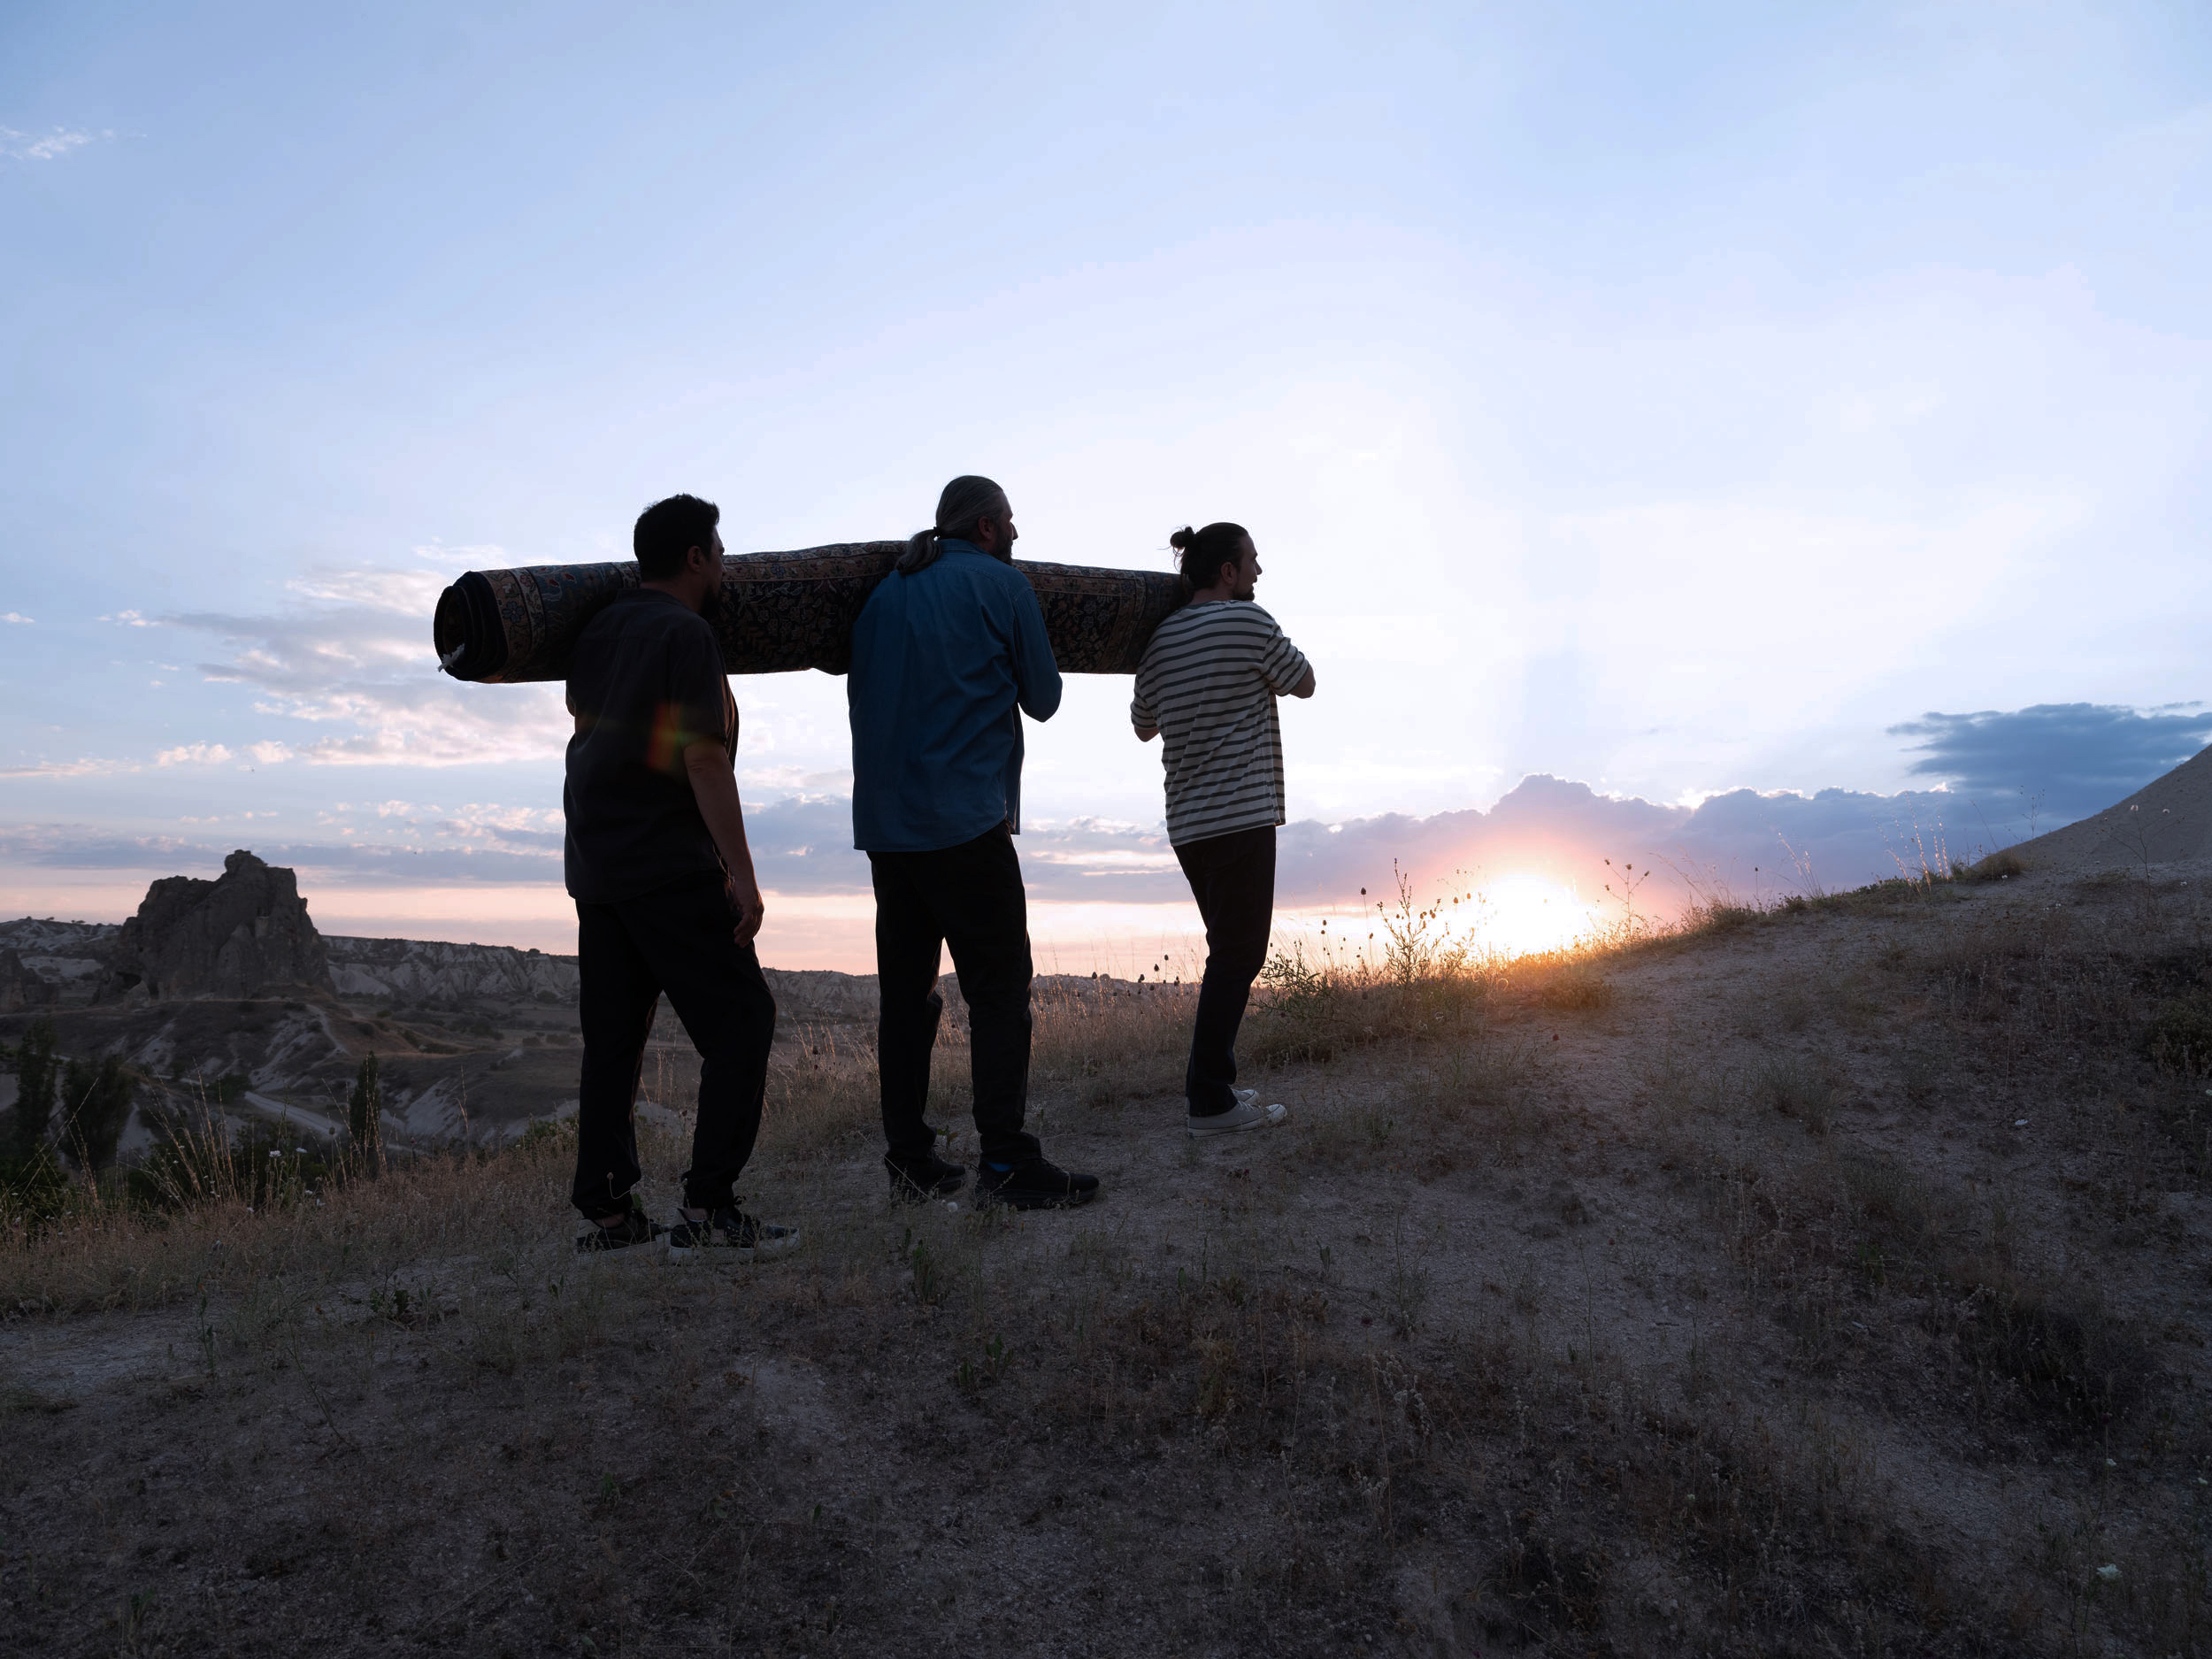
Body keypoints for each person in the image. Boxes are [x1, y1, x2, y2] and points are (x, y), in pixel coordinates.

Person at [847, 475, 1100, 1210]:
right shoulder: (1002, 584)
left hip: (889, 834)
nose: (1019, 533)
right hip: (964, 823)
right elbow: (1046, 700)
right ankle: (1007, 1162)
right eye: (1012, 522)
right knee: (997, 993)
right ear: (988, 528)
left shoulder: (884, 594)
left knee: (906, 998)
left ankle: (910, 1159)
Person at [564, 493, 796, 1258]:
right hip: (667, 863)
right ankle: (708, 1212)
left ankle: (608, 1215)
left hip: (597, 869)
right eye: (719, 549)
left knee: (615, 1042)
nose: (725, 562)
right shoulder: (686, 633)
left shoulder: (597, 630)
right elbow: (703, 757)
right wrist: (744, 873)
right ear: (696, 557)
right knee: (743, 1022)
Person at [1132, 522, 1315, 1137]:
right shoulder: (1250, 621)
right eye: (1253, 562)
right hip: (1241, 815)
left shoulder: (1158, 641)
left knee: (1228, 950)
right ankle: (1208, 1098)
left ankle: (1216, 1082)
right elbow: (1306, 682)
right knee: (1239, 953)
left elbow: (1143, 724)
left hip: (1188, 824)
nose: (1260, 573)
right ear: (1229, 571)